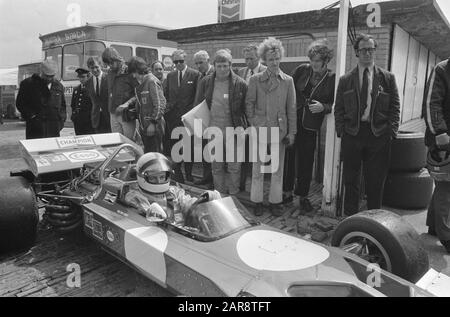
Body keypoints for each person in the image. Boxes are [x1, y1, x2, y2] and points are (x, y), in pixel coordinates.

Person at [335, 34, 400, 216]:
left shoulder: (387, 78)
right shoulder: (345, 79)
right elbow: (338, 107)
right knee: (351, 181)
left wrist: (390, 132)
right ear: (356, 52)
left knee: (375, 182)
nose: (367, 53)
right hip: (352, 134)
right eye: (363, 49)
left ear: (374, 51)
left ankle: (373, 223)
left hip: (378, 135)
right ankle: (351, 220)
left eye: (371, 49)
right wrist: (342, 131)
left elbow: (395, 106)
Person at [245, 38, 297, 216]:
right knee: (257, 167)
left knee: (277, 169)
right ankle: (257, 201)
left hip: (279, 130)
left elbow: (291, 108)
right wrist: (255, 122)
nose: (274, 62)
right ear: (264, 60)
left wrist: (292, 132)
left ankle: (275, 201)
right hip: (260, 129)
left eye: (277, 59)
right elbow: (249, 104)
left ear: (280, 58)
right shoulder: (255, 80)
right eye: (270, 59)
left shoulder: (288, 81)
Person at [283, 40, 336, 214]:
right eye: (312, 59)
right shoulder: (301, 70)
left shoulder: (331, 78)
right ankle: (287, 192)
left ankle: (303, 196)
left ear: (325, 60)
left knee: (306, 160)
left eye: (318, 60)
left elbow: (333, 102)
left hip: (311, 123)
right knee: (289, 157)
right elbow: (289, 91)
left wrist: (324, 107)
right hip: (294, 118)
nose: (314, 64)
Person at [195, 49, 248, 195]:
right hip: (214, 130)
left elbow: (246, 109)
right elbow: (198, 105)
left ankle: (233, 194)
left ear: (230, 65)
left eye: (225, 65)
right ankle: (219, 194)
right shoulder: (206, 82)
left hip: (233, 131)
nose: (222, 69)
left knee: (234, 166)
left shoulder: (240, 84)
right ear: (214, 66)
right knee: (217, 166)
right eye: (219, 66)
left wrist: (245, 128)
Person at [124, 152, 221, 225]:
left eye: (162, 177)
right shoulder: (135, 196)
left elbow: (188, 203)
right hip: (160, 236)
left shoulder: (173, 192)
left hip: (182, 235)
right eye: (153, 178)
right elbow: (147, 213)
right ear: (142, 177)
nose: (159, 181)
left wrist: (207, 199)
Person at [423, 58, 450, 254]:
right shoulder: (442, 69)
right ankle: (447, 236)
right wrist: (440, 134)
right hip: (444, 139)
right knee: (447, 186)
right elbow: (432, 103)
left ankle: (434, 225)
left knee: (442, 184)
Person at [164, 49, 201, 183]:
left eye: (181, 61)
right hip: (173, 118)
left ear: (186, 60)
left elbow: (197, 96)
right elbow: (166, 95)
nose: (178, 64)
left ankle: (189, 174)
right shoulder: (170, 76)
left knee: (188, 147)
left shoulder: (195, 75)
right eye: (176, 62)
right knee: (176, 146)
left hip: (188, 117)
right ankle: (177, 172)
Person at [238, 44, 267, 191]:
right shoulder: (242, 72)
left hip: (258, 121)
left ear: (258, 58)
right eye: (246, 58)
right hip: (243, 121)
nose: (248, 61)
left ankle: (257, 190)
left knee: (257, 157)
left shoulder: (266, 72)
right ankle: (241, 186)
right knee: (242, 155)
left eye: (251, 58)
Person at [16, 60, 66, 139]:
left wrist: (61, 121)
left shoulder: (58, 86)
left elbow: (62, 106)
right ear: (41, 72)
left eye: (52, 76)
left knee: (52, 151)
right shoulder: (28, 84)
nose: (49, 78)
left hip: (53, 130)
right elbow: (20, 103)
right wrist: (31, 116)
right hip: (35, 130)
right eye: (47, 76)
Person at [128, 57, 166, 153]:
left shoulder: (151, 81)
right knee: (148, 155)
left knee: (155, 156)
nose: (133, 76)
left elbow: (160, 105)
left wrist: (153, 123)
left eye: (134, 73)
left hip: (154, 127)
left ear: (138, 70)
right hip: (144, 127)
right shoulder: (141, 83)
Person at [102, 47, 139, 140]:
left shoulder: (129, 72)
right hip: (113, 113)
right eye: (108, 64)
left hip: (126, 114)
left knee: (129, 143)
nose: (110, 66)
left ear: (117, 59)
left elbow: (138, 92)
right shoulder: (110, 73)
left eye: (111, 63)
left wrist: (127, 104)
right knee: (116, 142)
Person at [193, 50, 215, 187]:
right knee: (205, 149)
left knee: (213, 150)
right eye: (196, 63)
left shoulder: (214, 74)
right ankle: (207, 177)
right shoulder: (200, 76)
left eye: (201, 62)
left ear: (208, 60)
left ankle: (213, 180)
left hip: (212, 118)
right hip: (201, 118)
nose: (198, 66)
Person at [86, 57, 111, 134]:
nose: (94, 70)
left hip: (109, 117)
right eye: (92, 68)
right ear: (89, 68)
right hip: (96, 118)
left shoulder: (108, 78)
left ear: (101, 66)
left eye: (96, 67)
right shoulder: (88, 82)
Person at [70, 68, 95, 136]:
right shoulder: (76, 89)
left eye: (83, 77)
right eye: (79, 77)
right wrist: (74, 116)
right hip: (78, 121)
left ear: (88, 76)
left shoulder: (92, 88)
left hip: (88, 120)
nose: (81, 79)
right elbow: (73, 105)